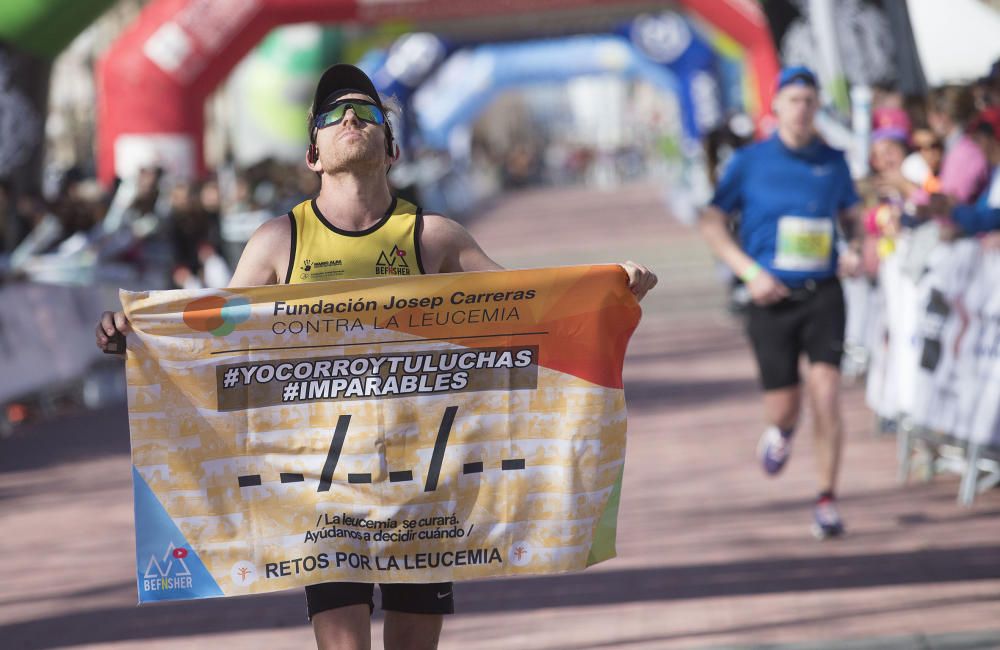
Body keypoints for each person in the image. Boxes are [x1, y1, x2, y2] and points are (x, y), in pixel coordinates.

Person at [96, 63, 657, 650]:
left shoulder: (434, 237)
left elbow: (530, 315)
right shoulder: (277, 244)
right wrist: (137, 342)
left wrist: (608, 291)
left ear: (390, 148)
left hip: (423, 486)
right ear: (312, 153)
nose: (350, 120)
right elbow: (217, 349)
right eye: (333, 114)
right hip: (322, 488)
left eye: (366, 113)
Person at [697, 66, 861, 540]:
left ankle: (826, 499)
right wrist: (748, 272)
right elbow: (711, 220)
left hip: (823, 292)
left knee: (827, 392)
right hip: (770, 298)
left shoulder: (833, 160)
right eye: (794, 100)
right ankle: (783, 432)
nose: (803, 109)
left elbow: (850, 216)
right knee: (784, 407)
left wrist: (851, 247)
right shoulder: (750, 162)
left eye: (810, 100)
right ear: (776, 107)